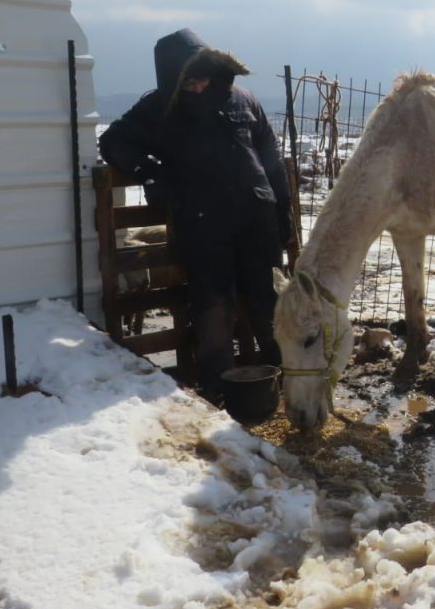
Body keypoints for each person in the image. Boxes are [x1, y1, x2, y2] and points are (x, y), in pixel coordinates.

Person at [98, 28, 293, 404]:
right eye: (189, 82)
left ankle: (283, 383)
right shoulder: (157, 108)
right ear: (172, 80)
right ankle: (218, 393)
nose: (199, 87)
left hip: (257, 221)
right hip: (205, 227)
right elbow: (113, 142)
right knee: (213, 309)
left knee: (270, 304)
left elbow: (270, 155)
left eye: (203, 77)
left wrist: (281, 210)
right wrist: (151, 174)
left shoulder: (243, 99)